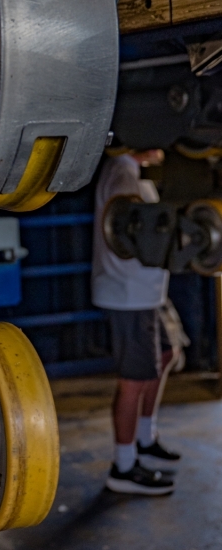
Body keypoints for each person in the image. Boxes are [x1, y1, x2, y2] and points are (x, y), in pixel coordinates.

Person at [92, 150, 181, 495]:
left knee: (165, 354)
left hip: (146, 291)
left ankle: (145, 438)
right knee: (133, 381)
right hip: (128, 294)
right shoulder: (122, 173)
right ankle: (124, 467)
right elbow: (132, 228)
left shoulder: (132, 172)